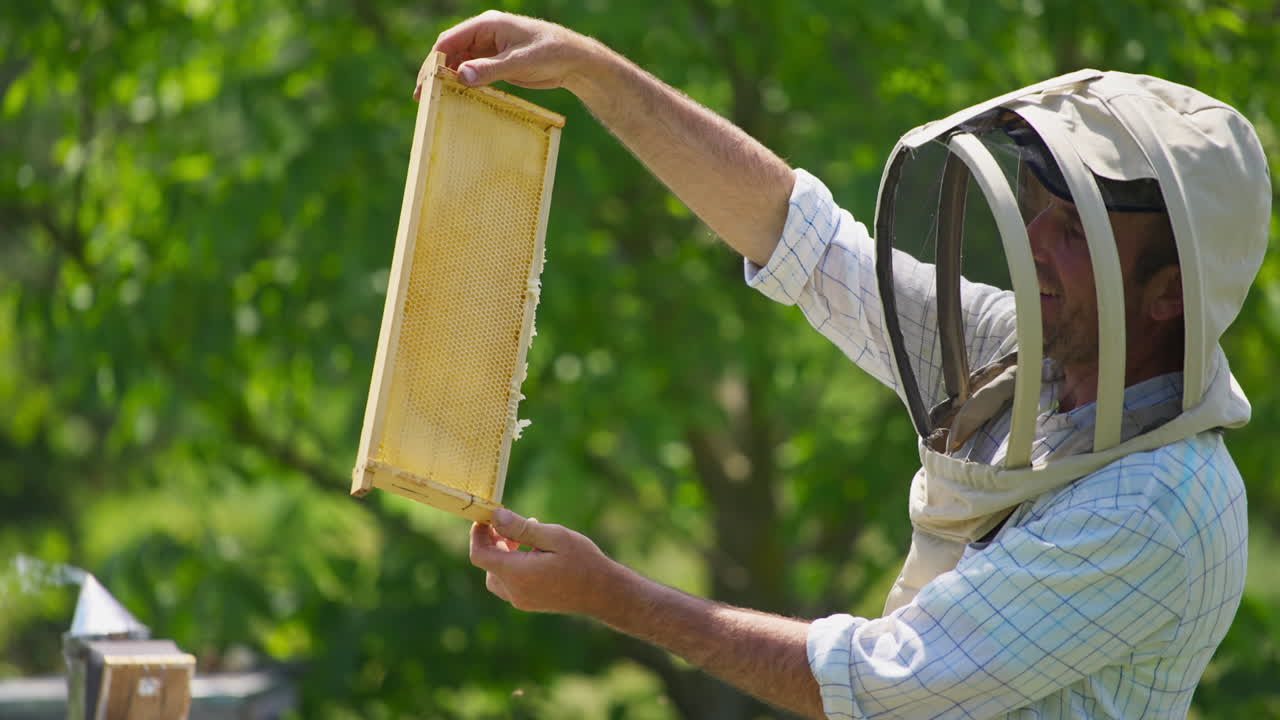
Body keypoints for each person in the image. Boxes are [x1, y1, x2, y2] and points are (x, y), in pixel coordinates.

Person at [424, 11, 1271, 719]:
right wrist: (593, 69)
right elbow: (809, 245)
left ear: (1165, 295)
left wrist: (615, 596)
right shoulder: (1028, 354)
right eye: (1038, 207)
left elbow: (873, 679)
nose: (1036, 247)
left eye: (1076, 230)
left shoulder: (1161, 503)